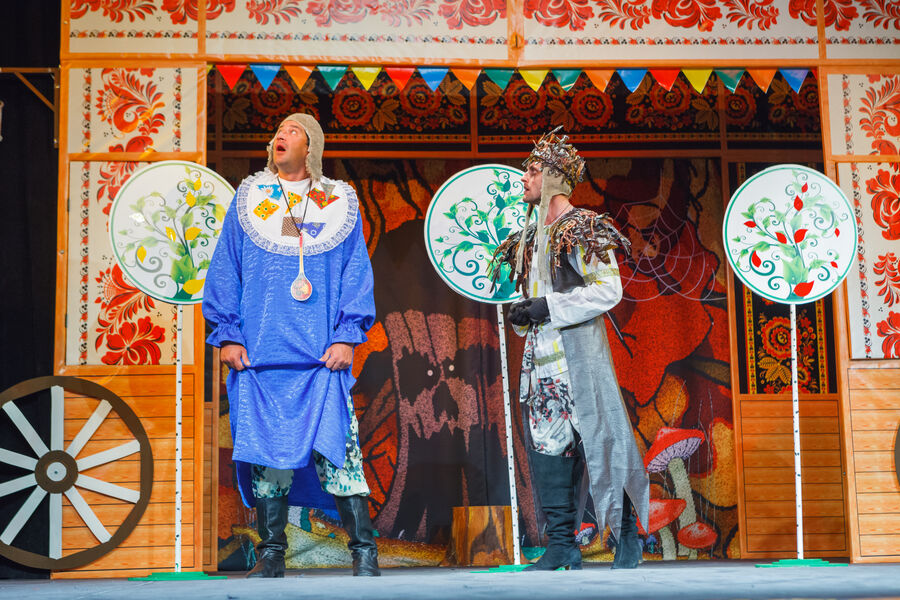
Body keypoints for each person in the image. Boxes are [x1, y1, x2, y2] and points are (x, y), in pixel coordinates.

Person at [203, 113, 379, 577]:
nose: (281, 136)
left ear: (311, 147)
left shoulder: (336, 201)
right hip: (262, 359)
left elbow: (356, 272)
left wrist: (347, 335)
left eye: (293, 131)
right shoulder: (252, 198)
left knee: (340, 456)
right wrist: (228, 334)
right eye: (278, 131)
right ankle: (271, 556)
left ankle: (364, 553)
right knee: (268, 460)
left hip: (321, 360)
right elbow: (226, 267)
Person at [489, 127, 649, 571]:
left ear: (555, 178)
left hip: (578, 361)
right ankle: (561, 544)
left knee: (602, 443)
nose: (524, 178)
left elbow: (608, 289)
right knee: (548, 449)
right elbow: (537, 297)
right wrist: (526, 313)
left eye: (532, 171)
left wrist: (550, 306)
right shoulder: (530, 237)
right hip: (542, 365)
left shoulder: (582, 228)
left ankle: (627, 536)